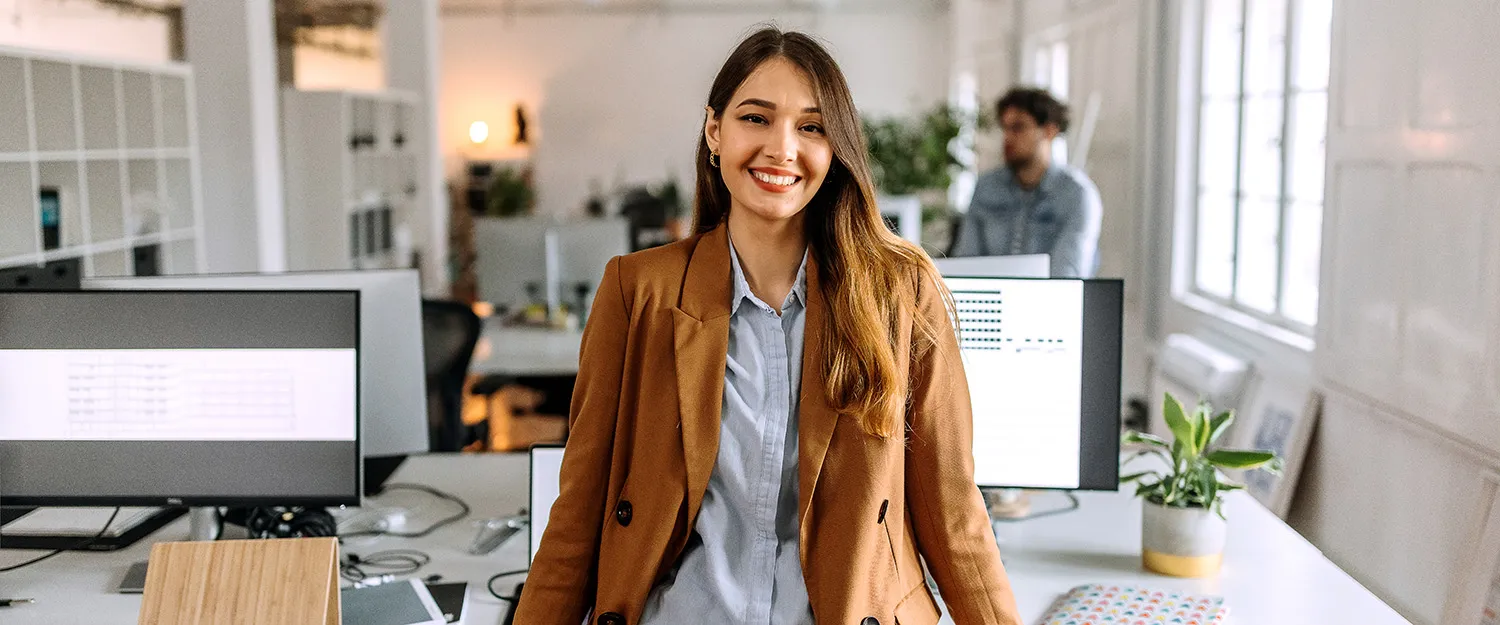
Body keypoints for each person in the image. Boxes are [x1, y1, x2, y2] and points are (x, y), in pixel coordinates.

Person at [514, 27, 1022, 625]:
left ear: (836, 149)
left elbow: (954, 514)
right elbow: (577, 516)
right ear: (714, 131)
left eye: (811, 127)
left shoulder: (899, 293)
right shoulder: (638, 291)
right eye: (756, 118)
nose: (782, 148)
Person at [951, 87, 1102, 278]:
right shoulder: (986, 187)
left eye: (1018, 127)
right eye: (1005, 128)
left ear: (1049, 131)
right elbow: (966, 264)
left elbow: (1067, 276)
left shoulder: (1077, 195)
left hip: (1050, 304)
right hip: (990, 303)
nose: (1008, 137)